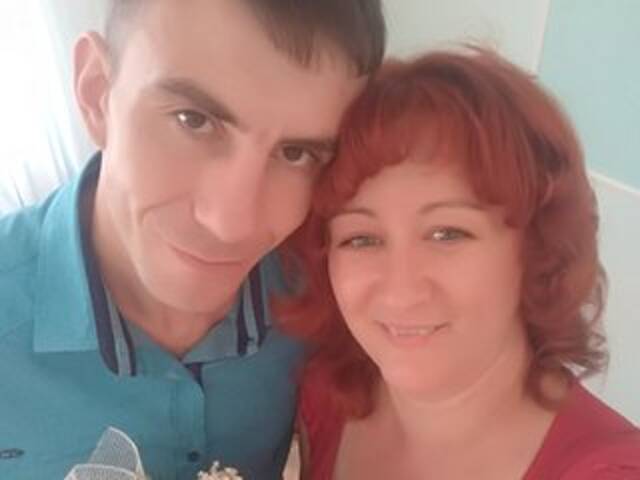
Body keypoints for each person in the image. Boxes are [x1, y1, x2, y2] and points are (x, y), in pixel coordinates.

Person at [0, 1, 385, 479]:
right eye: (193, 120)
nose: (231, 225)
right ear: (97, 92)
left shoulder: (325, 299)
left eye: (296, 153)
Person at [279, 48, 640, 479]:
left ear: (537, 248)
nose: (401, 290)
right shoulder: (321, 397)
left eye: (447, 233)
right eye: (361, 239)